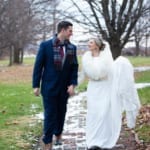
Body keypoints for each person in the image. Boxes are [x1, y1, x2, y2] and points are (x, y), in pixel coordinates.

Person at [79, 37, 140, 150]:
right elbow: (83, 73)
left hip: (105, 87)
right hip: (93, 88)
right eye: (88, 42)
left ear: (97, 45)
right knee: (94, 113)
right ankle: (93, 141)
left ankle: (104, 140)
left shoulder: (105, 57)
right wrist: (74, 84)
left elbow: (111, 71)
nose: (89, 44)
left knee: (104, 113)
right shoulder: (87, 58)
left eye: (91, 42)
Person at [32, 21, 78, 150]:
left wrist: (72, 84)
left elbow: (74, 68)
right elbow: (38, 66)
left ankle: (58, 133)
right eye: (70, 31)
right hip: (49, 87)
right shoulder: (46, 45)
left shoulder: (72, 48)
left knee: (61, 112)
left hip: (64, 88)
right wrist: (36, 85)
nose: (72, 33)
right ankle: (47, 140)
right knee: (50, 113)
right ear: (62, 30)